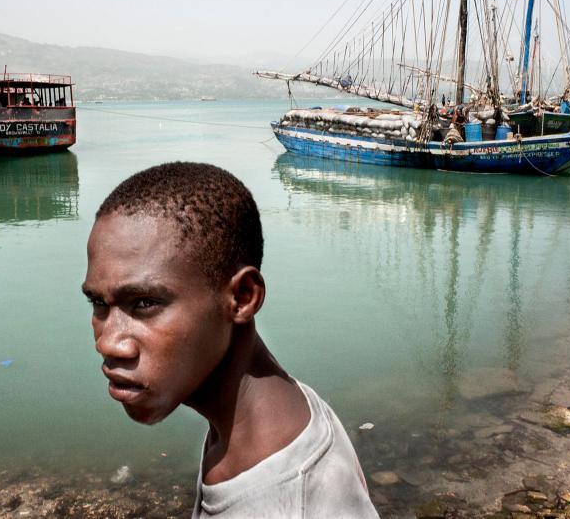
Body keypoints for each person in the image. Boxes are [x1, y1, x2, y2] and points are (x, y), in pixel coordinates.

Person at [82, 162, 378, 519]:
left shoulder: (290, 504)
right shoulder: (273, 411)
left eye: (145, 303)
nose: (109, 343)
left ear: (242, 297)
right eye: (98, 303)